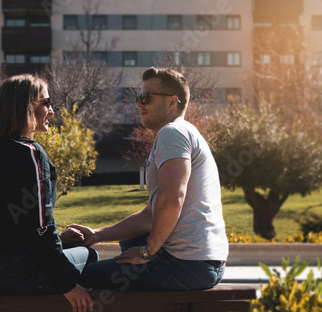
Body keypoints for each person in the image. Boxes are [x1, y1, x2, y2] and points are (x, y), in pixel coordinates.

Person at [70, 67, 228, 291]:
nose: (139, 104)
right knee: (131, 241)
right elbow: (149, 217)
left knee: (81, 277)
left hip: (187, 264)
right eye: (138, 97)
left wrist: (148, 252)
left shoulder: (172, 133)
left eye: (146, 98)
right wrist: (96, 235)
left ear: (172, 102)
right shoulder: (184, 132)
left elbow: (174, 199)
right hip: (203, 264)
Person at [0, 74, 97, 312]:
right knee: (90, 256)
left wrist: (61, 239)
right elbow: (41, 228)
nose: (52, 111)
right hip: (15, 272)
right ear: (26, 107)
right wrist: (68, 285)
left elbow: (10, 220)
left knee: (65, 255)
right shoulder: (29, 153)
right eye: (45, 103)